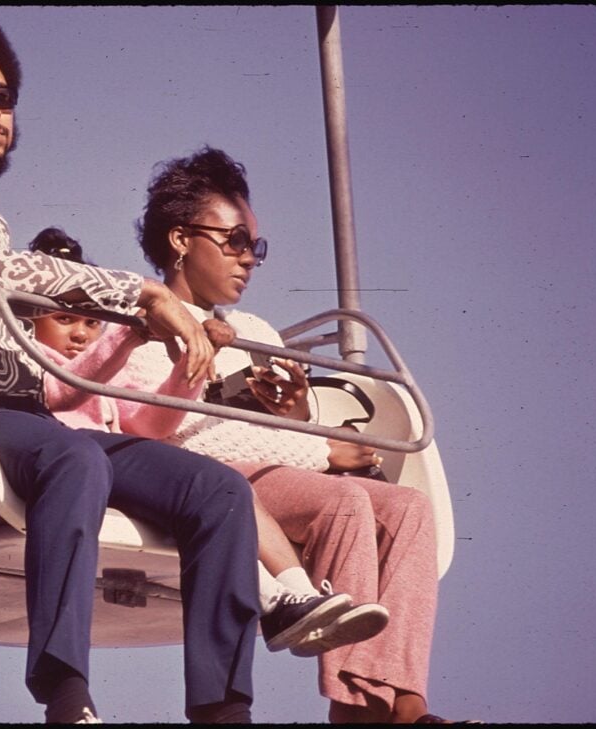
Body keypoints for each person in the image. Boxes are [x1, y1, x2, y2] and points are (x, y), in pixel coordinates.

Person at [0, 11, 259, 724]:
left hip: (22, 413)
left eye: (1, 96)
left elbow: (11, 274)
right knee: (74, 459)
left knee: (217, 492)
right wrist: (141, 294)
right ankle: (65, 691)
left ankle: (223, 707)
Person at [116, 145, 473, 724]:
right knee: (345, 501)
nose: (248, 259)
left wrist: (297, 407)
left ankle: (404, 697)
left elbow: (282, 431)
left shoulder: (255, 331)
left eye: (254, 246)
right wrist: (319, 446)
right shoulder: (143, 323)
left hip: (277, 476)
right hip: (210, 480)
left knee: (408, 508)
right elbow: (179, 437)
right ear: (181, 240)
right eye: (233, 241)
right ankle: (355, 706)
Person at [29, 230, 391, 657]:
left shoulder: (111, 369)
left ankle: (296, 594)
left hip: (129, 464)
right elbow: (66, 393)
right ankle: (277, 602)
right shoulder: (36, 359)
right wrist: (126, 337)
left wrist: (193, 364)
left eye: (92, 322)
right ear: (32, 320)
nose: (81, 334)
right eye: (64, 319)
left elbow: (147, 420)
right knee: (211, 487)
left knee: (220, 489)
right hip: (83, 470)